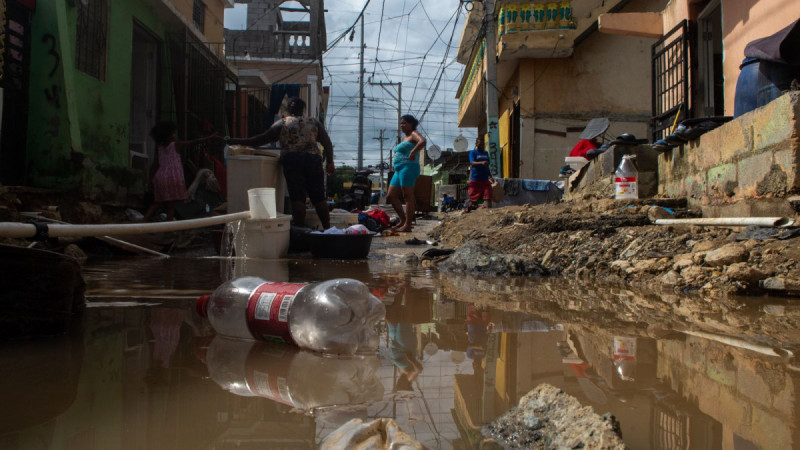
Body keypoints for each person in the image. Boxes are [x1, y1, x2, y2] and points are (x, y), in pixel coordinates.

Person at [227, 97, 335, 229]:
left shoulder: (283, 123)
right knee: (318, 197)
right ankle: (329, 229)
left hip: (293, 160)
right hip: (313, 160)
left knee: (297, 197)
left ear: (288, 110)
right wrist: (330, 162)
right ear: (303, 110)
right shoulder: (313, 122)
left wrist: (235, 141)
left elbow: (260, 139)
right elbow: (327, 143)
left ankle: (300, 230)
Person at [143, 121, 219, 222]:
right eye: (173, 133)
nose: (174, 135)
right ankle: (168, 229)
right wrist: (210, 137)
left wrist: (150, 181)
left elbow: (154, 166)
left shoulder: (160, 149)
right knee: (171, 205)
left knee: (158, 202)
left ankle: (144, 221)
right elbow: (195, 141)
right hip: (172, 179)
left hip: (160, 178)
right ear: (168, 136)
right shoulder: (176, 145)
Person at [387, 114, 426, 232]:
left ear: (411, 124)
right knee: (391, 196)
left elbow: (423, 141)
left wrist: (413, 152)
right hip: (398, 169)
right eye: (401, 123)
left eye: (405, 123)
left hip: (408, 167)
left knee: (407, 196)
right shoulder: (403, 137)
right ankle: (403, 220)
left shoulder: (414, 134)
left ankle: (408, 225)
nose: (402, 125)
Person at [465, 136, 493, 212]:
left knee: (488, 196)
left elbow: (487, 166)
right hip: (475, 179)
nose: (481, 146)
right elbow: (472, 163)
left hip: (485, 179)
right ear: (476, 144)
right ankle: (469, 212)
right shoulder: (473, 152)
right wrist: (481, 162)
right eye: (479, 144)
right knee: (473, 198)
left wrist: (490, 176)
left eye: (482, 144)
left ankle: (490, 212)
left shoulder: (486, 153)